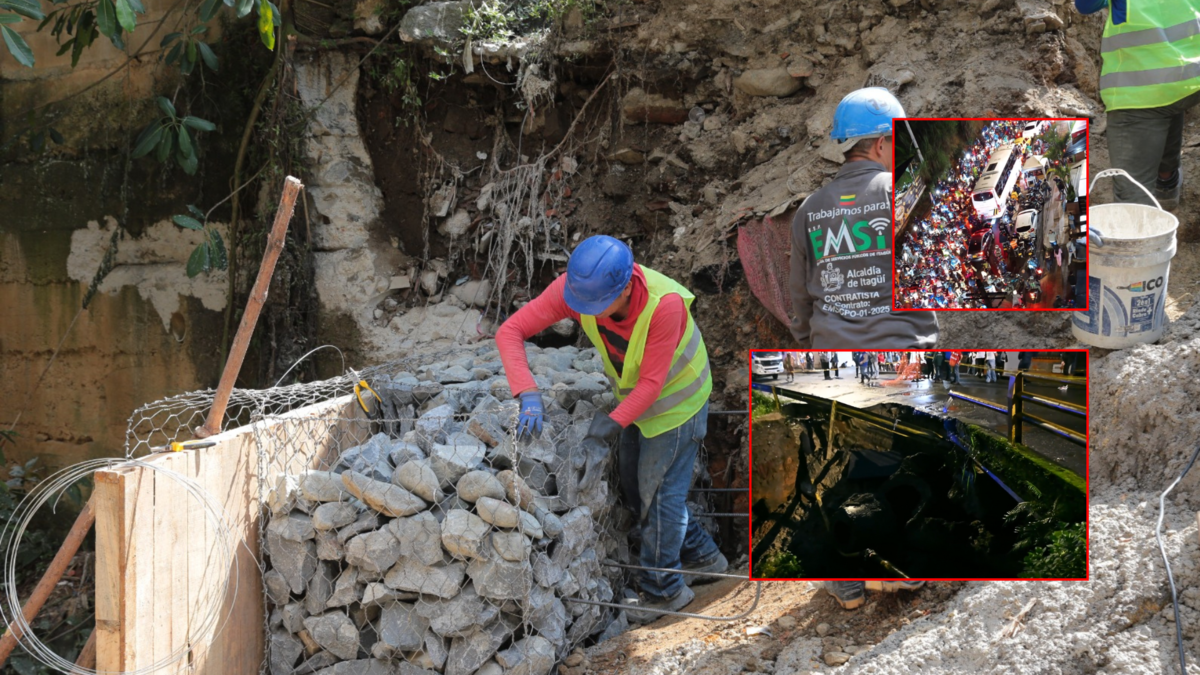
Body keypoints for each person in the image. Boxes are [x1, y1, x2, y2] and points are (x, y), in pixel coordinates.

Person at [495, 235, 724, 621]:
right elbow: (510, 331)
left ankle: (664, 591)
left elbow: (652, 384)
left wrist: (605, 428)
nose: (592, 314)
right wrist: (527, 392)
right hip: (637, 401)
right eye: (585, 306)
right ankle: (703, 557)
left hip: (678, 404)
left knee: (659, 497)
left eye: (600, 307)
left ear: (627, 285)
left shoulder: (664, 306)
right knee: (637, 490)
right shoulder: (579, 289)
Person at [788, 87, 938, 347]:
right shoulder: (904, 192)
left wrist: (811, 342)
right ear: (881, 143)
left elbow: (800, 295)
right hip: (903, 347)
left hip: (833, 350)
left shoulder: (809, 209)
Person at [1074, 0, 1200, 210]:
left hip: (1141, 86)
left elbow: (1086, 5)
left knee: (1131, 199)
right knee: (1168, 102)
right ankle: (1166, 181)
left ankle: (1142, 226)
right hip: (1191, 75)